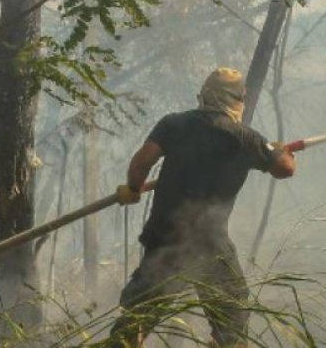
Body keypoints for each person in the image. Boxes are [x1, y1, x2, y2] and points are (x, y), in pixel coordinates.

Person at [111, 67, 296, 347]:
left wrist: (133, 189)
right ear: (236, 100)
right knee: (231, 315)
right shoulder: (244, 138)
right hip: (209, 244)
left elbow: (141, 163)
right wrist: (279, 151)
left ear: (205, 95)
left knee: (137, 319)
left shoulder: (173, 124)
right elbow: (284, 168)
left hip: (164, 238)